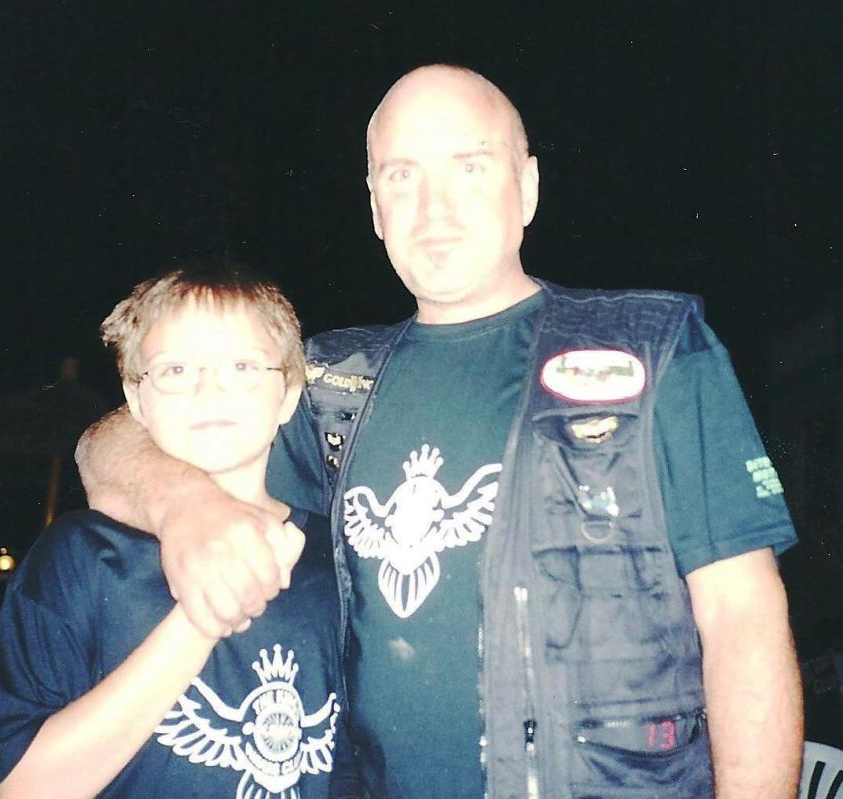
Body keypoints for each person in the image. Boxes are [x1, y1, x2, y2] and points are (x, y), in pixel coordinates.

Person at [77, 65, 804, 797]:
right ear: (375, 207)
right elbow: (109, 442)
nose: (435, 207)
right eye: (403, 175)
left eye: (469, 166)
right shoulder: (329, 383)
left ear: (527, 187)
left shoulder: (654, 349)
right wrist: (185, 505)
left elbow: (743, 616)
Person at [0, 266, 358, 798]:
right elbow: (23, 789)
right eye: (176, 370)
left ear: (287, 394)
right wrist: (204, 615)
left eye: (242, 366)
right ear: (137, 400)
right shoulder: (80, 556)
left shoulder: (340, 561)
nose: (210, 390)